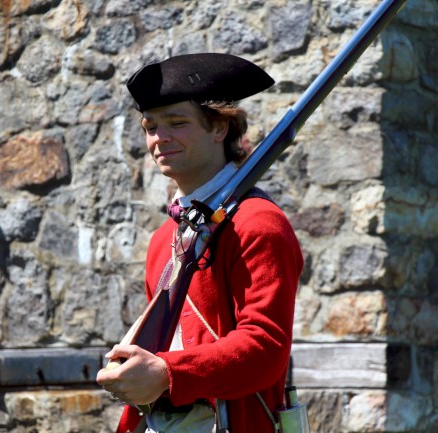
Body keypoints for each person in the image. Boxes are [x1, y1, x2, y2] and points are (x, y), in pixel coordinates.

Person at [96, 52, 304, 433]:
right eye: (151, 126)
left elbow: (265, 349)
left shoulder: (259, 222)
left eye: (177, 122)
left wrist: (166, 373)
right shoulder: (164, 239)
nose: (160, 138)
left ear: (219, 129)